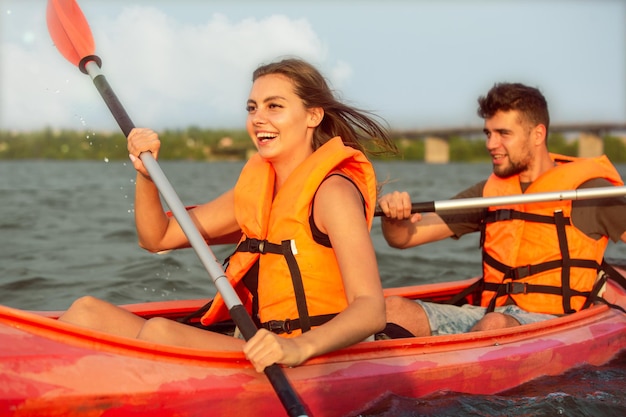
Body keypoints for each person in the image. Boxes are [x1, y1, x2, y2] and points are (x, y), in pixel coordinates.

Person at [58, 57, 397, 372]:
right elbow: (156, 237)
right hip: (256, 346)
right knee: (86, 312)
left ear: (313, 116)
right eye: (252, 108)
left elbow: (370, 309)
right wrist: (146, 175)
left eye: (274, 106)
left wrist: (298, 348)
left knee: (162, 334)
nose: (258, 118)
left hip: (315, 357)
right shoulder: (257, 191)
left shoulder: (332, 193)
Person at [378, 82, 626, 338]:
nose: (490, 144)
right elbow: (404, 238)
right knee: (391, 309)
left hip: (554, 324)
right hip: (488, 315)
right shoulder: (488, 192)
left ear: (538, 135)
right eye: (488, 133)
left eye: (503, 133)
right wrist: (394, 218)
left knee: (494, 325)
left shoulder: (592, 193)